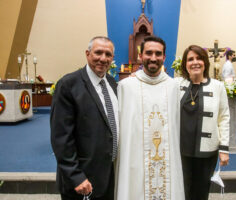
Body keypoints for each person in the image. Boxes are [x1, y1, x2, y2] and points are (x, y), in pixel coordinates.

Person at [116, 36, 185, 200]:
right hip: (136, 161)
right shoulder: (126, 87)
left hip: (167, 159)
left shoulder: (174, 87)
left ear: (164, 57)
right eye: (149, 53)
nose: (153, 58)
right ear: (140, 55)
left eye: (158, 53)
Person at [50, 36, 118, 200]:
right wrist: (76, 176)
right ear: (87, 54)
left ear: (112, 59)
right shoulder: (68, 85)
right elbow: (61, 138)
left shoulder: (112, 83)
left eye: (108, 54)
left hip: (109, 175)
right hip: (83, 179)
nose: (103, 58)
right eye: (98, 53)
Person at [176, 45, 230, 200]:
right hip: (180, 150)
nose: (195, 62)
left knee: (200, 192)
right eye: (190, 59)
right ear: (185, 64)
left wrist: (224, 149)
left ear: (205, 62)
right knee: (181, 191)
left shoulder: (218, 87)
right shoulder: (176, 84)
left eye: (199, 58)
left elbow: (224, 117)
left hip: (207, 151)